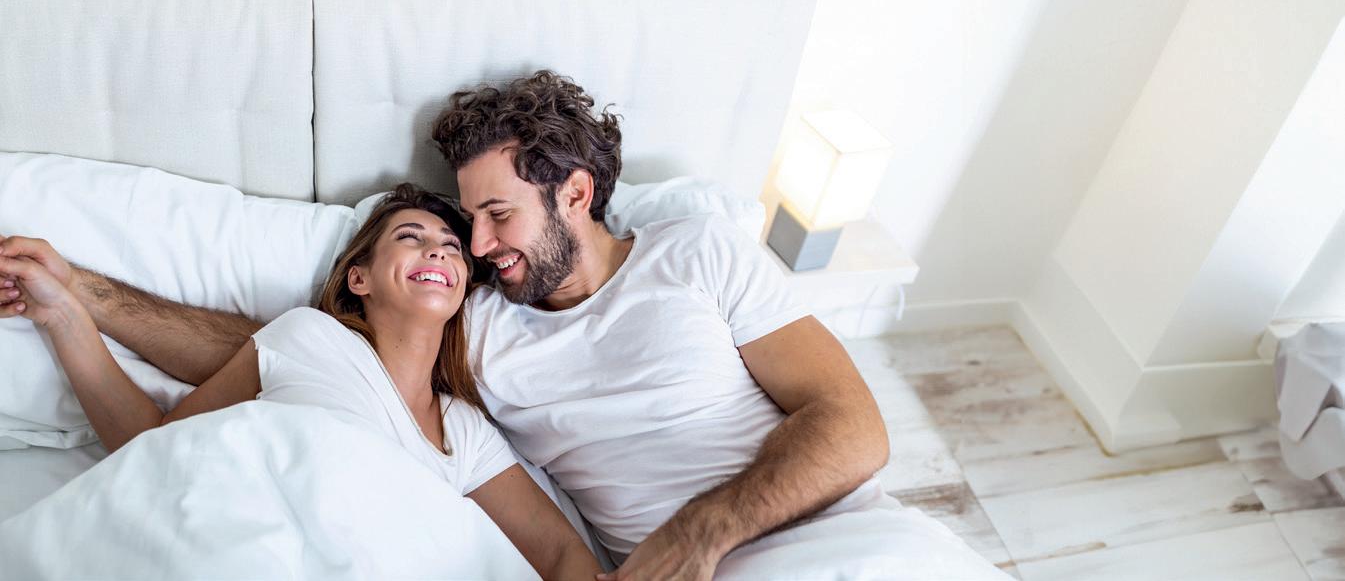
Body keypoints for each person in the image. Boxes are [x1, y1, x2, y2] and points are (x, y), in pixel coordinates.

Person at [1, 72, 1005, 580]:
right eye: (458, 226)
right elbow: (282, 357)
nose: (476, 248)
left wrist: (700, 533)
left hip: (831, 540)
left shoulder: (697, 251)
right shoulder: (473, 323)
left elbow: (852, 425)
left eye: (494, 217)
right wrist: (85, 293)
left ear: (576, 194)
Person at [0, 183, 602, 581]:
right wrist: (63, 315)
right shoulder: (306, 337)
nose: (438, 252)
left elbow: (558, 551)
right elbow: (157, 451)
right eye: (411, 238)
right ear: (360, 279)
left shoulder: (465, 432)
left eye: (451, 248)